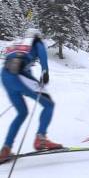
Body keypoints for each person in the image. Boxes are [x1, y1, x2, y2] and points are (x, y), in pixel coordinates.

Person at [0, 28, 62, 163]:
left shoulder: (18, 42)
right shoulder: (37, 42)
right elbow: (43, 56)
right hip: (19, 76)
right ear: (37, 36)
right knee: (48, 104)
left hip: (5, 76)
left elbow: (17, 62)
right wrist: (45, 72)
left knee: (22, 113)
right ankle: (41, 139)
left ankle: (5, 149)